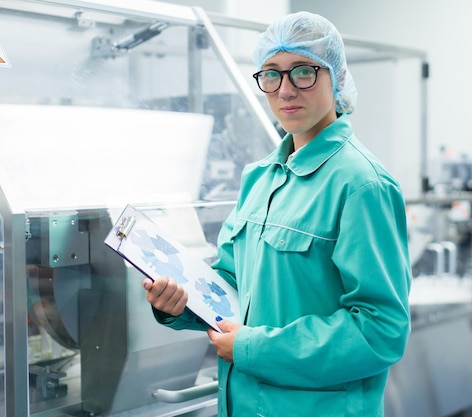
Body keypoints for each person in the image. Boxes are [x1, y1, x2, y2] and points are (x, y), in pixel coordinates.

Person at [143, 11, 411, 417]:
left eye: (303, 72)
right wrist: (180, 304)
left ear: (336, 77)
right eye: (271, 74)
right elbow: (235, 284)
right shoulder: (260, 177)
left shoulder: (361, 184)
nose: (285, 89)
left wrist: (252, 347)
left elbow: (381, 330)